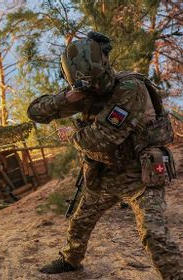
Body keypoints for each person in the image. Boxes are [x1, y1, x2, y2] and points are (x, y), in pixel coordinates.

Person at [27, 31, 182, 280]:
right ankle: (70, 260)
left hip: (140, 176)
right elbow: (35, 112)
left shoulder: (130, 89)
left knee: (154, 236)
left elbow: (102, 138)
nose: (93, 88)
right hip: (106, 175)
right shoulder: (85, 91)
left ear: (105, 65)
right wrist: (65, 98)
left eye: (94, 81)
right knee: (80, 220)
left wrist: (72, 134)